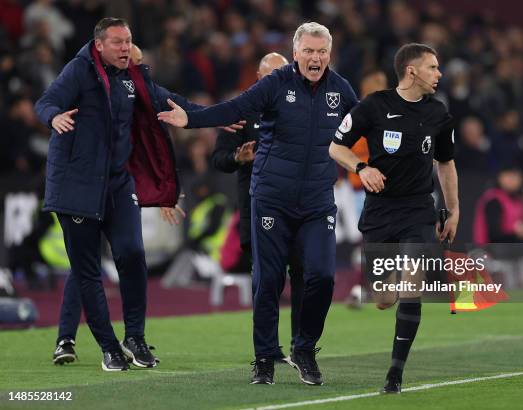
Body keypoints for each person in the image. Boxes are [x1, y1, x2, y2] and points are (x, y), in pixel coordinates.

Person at [158, 22, 358, 385]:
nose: (316, 58)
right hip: (271, 200)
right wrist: (191, 120)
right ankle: (264, 358)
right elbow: (233, 108)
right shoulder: (276, 83)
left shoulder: (341, 89)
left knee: (323, 277)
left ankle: (304, 348)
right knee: (268, 282)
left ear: (330, 54)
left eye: (322, 52)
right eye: (309, 51)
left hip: (316, 201)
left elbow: (366, 127)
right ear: (296, 53)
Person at [35, 18, 193, 372]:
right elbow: (46, 101)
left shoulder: (130, 77)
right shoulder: (79, 70)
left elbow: (167, 100)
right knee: (88, 270)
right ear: (100, 45)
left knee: (133, 253)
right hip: (77, 184)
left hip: (118, 182)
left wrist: (208, 117)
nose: (125, 48)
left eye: (129, 41)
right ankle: (108, 348)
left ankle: (134, 337)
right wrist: (54, 117)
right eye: (118, 42)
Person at [329, 43, 459, 393]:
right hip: (380, 212)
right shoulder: (374, 106)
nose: (439, 74)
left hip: (418, 209)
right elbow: (335, 146)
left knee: (412, 284)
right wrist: (361, 167)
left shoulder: (439, 113)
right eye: (432, 67)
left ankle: (395, 373)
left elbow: (445, 162)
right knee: (385, 298)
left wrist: (454, 208)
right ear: (411, 71)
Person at [211, 52, 304, 360]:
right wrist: (239, 157)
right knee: (267, 281)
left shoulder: (304, 105)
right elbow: (219, 159)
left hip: (297, 205)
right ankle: (267, 350)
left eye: (283, 74)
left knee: (303, 275)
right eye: (269, 76)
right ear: (259, 79)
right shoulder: (241, 111)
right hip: (259, 206)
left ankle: (301, 346)